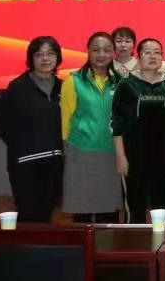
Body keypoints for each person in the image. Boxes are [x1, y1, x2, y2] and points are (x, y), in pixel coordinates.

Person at [0, 36, 64, 222]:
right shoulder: (18, 87)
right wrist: (22, 144)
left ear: (57, 57)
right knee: (29, 218)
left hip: (54, 164)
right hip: (25, 165)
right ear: (31, 58)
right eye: (39, 54)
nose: (45, 58)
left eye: (50, 53)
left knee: (48, 216)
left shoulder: (63, 87)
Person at [60, 32, 123, 222]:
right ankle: (84, 242)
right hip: (81, 151)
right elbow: (65, 118)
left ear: (113, 53)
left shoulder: (121, 81)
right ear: (88, 51)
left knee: (109, 210)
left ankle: (106, 242)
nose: (101, 55)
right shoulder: (74, 80)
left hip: (111, 151)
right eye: (96, 50)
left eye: (106, 50)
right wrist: (66, 148)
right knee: (82, 208)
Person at [111, 38, 165, 223]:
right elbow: (116, 124)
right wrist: (121, 157)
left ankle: (163, 241)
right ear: (138, 57)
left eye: (157, 52)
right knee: (135, 208)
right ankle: (134, 240)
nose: (153, 56)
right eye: (147, 52)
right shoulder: (126, 85)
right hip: (134, 157)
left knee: (163, 210)